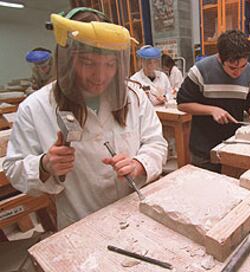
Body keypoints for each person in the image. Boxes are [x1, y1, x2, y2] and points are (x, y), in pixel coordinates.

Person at [3, 8, 167, 229]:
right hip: (81, 223)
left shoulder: (133, 96)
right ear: (67, 60)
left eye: (109, 64)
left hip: (134, 212)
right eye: (88, 63)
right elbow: (14, 170)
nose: (100, 76)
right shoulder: (35, 107)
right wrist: (44, 165)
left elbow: (156, 142)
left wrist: (139, 164)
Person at [177, 30, 250, 173]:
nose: (238, 73)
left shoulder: (249, 71)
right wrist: (212, 110)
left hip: (234, 145)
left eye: (242, 66)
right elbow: (182, 104)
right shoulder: (201, 70)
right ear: (220, 58)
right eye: (232, 68)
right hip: (204, 149)